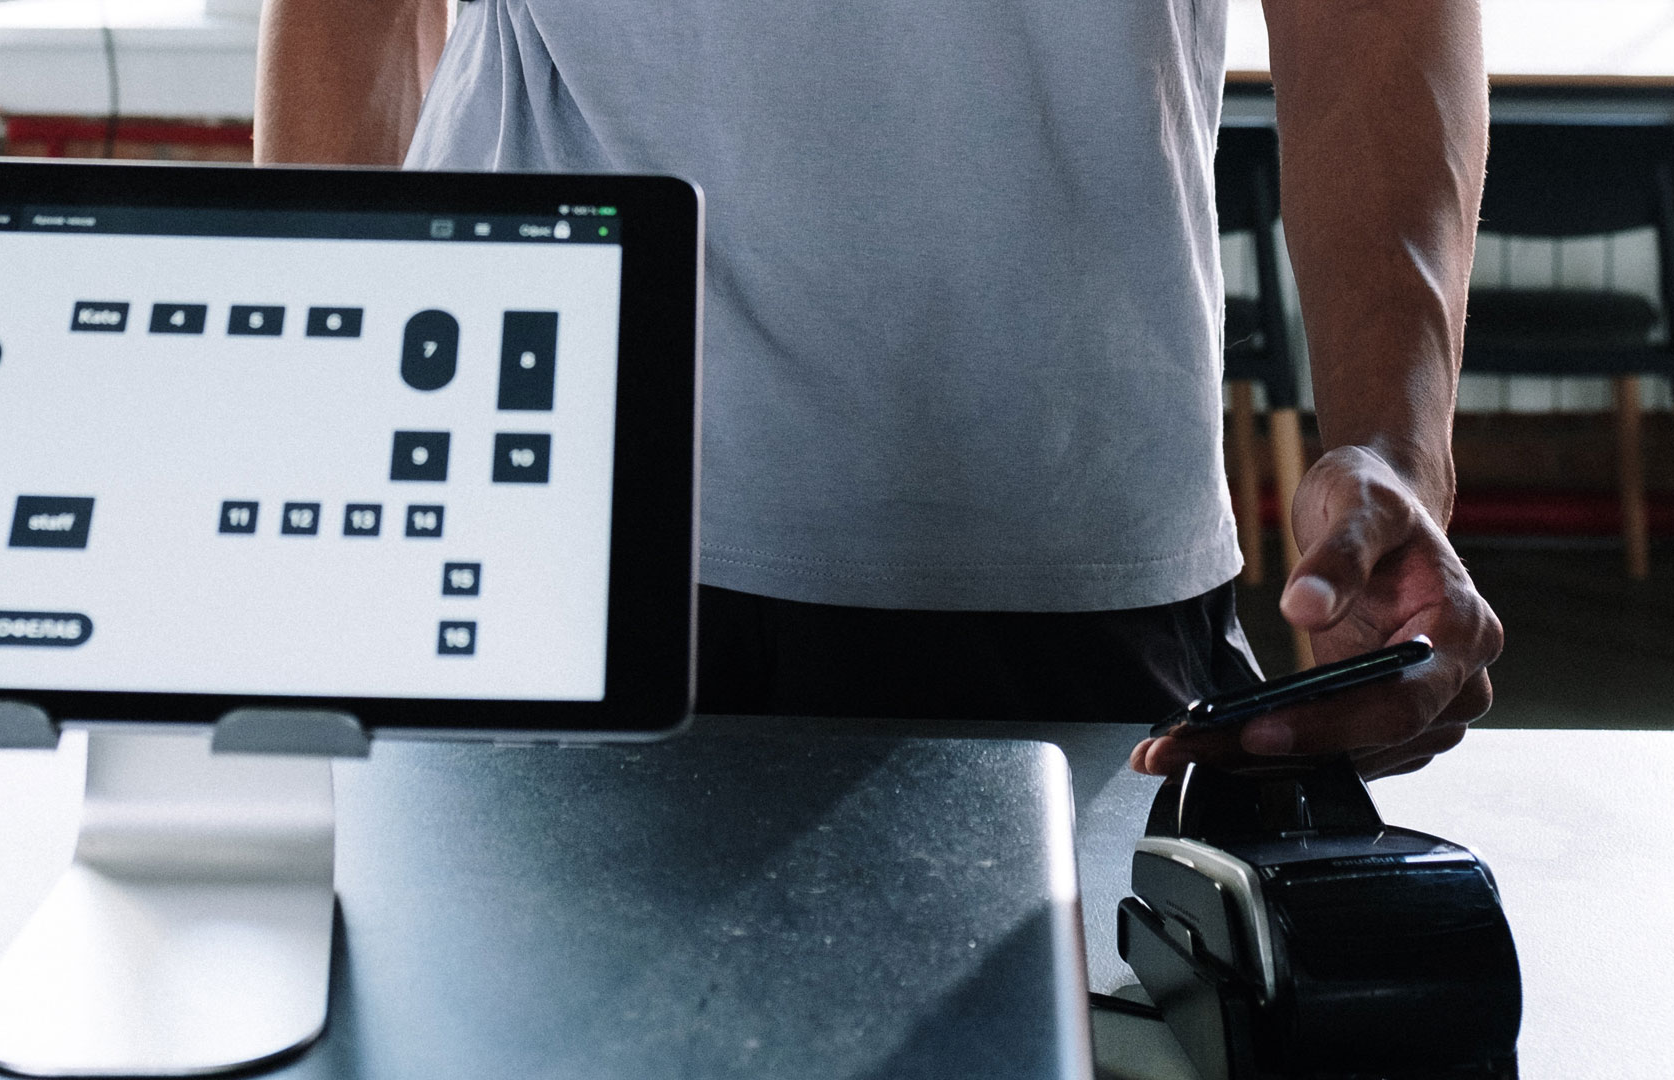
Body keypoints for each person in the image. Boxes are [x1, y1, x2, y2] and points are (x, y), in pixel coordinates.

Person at [254, 0, 1503, 779]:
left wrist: (1396, 451)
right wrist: (330, 428)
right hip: (538, 493)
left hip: (1054, 518)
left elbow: (1372, 19)